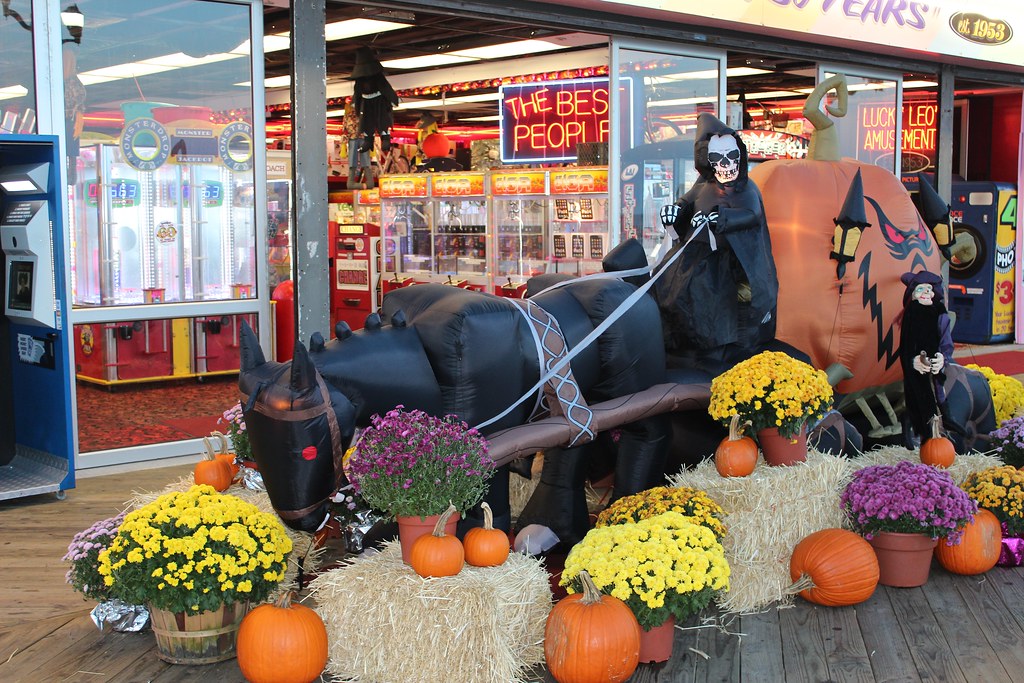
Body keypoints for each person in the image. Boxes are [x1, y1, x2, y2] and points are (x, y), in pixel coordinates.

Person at [654, 112, 780, 376]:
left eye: (732, 157)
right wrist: (675, 211)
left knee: (717, 305)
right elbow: (686, 202)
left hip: (731, 270)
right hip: (696, 262)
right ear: (707, 162)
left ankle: (721, 355)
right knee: (671, 289)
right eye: (718, 159)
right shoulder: (703, 185)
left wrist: (722, 219)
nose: (727, 165)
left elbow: (752, 214)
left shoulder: (746, 189)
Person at [897, 270, 953, 446]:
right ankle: (922, 434)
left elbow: (946, 343)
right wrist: (912, 361)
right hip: (918, 369)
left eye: (929, 289)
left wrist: (942, 359)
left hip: (935, 367)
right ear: (913, 294)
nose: (927, 293)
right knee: (918, 398)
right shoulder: (910, 315)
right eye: (921, 289)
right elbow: (905, 348)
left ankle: (944, 431)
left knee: (940, 397)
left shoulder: (940, 315)